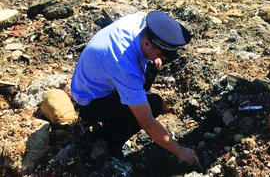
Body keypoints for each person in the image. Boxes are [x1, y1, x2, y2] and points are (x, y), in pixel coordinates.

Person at [70, 10, 200, 167]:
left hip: (94, 82)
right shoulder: (125, 65)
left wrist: (155, 56)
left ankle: (133, 99)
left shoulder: (140, 21)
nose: (163, 57)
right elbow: (147, 122)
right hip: (90, 101)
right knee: (153, 105)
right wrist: (179, 150)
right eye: (160, 52)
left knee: (152, 66)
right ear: (147, 43)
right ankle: (108, 140)